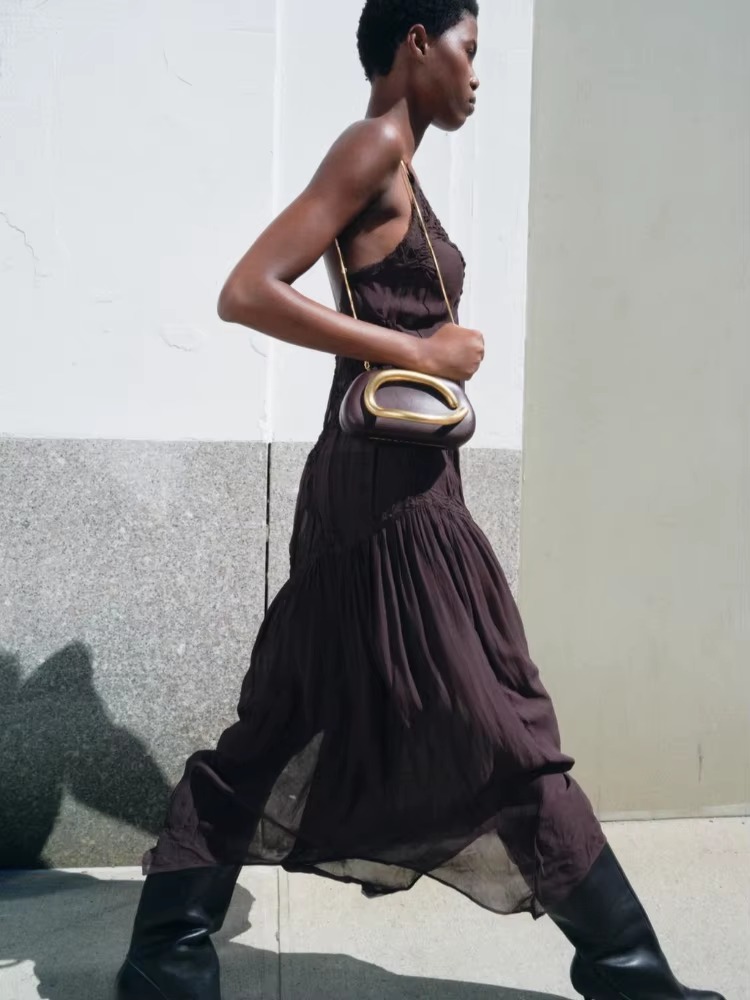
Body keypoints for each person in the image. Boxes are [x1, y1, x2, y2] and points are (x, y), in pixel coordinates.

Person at [115, 3, 725, 999]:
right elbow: (247, 289)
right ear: (415, 42)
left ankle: (165, 949)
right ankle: (630, 972)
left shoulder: (401, 164)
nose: (476, 75)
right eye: (467, 50)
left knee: (287, 717)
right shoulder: (371, 146)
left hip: (392, 483)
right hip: (389, 501)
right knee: (504, 720)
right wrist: (420, 350)